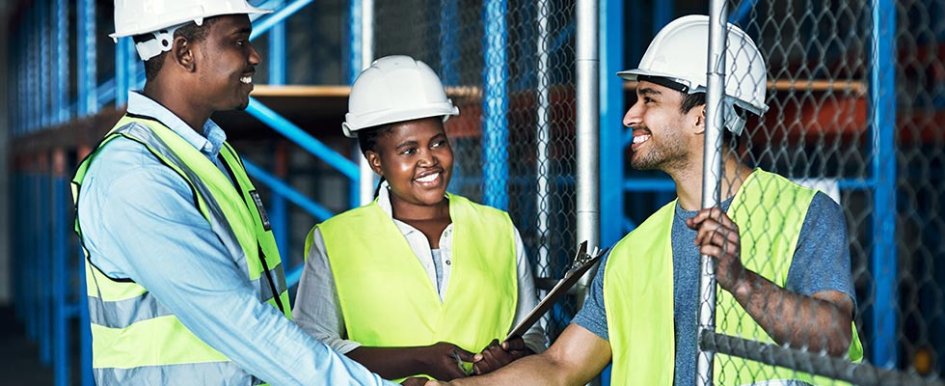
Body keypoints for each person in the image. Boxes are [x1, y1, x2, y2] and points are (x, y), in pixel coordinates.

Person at [426, 15, 863, 386]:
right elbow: (560, 366)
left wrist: (739, 280)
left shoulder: (801, 214)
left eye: (648, 99)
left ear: (703, 115)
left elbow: (835, 337)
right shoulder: (632, 253)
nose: (629, 116)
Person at [71, 1, 394, 384]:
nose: (254, 56)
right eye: (239, 41)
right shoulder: (134, 176)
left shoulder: (212, 152)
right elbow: (243, 324)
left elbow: (265, 313)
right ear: (184, 52)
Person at [293, 55, 546, 383]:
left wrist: (509, 359)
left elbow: (535, 339)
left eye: (437, 142)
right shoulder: (336, 240)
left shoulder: (497, 228)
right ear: (376, 162)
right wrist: (418, 359)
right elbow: (310, 348)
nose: (429, 159)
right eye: (408, 151)